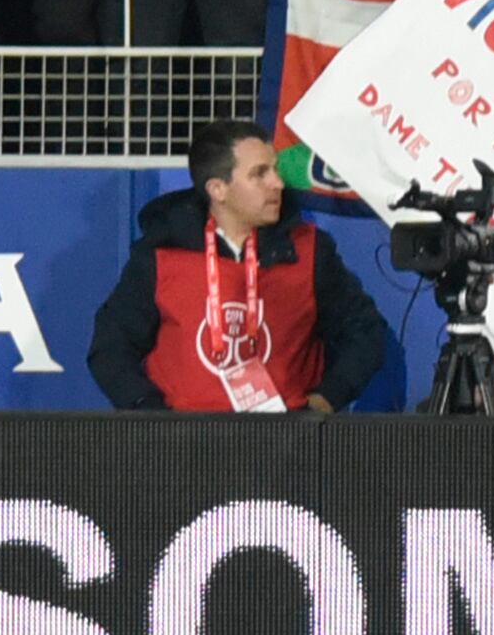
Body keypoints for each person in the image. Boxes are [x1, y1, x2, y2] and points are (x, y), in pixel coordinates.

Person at [89, 117, 390, 413]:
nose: (277, 183)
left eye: (274, 170)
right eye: (259, 174)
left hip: (286, 447)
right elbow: (111, 347)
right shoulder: (162, 254)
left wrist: (328, 397)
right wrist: (149, 411)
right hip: (184, 447)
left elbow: (365, 331)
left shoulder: (309, 250)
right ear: (218, 189)